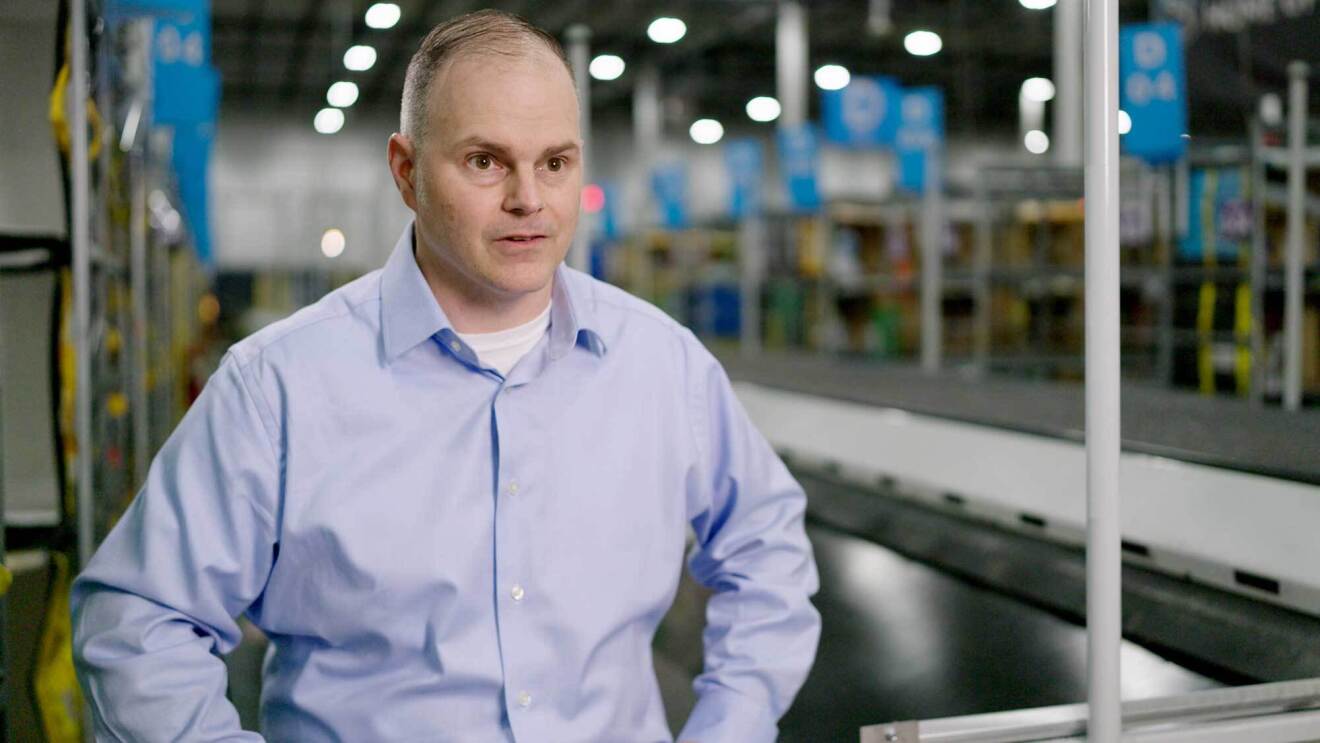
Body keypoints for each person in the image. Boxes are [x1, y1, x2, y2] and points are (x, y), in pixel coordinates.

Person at [71, 10, 820, 742]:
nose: (529, 199)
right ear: (405, 170)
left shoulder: (662, 364)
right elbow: (137, 621)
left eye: (555, 162)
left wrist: (733, 721)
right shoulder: (279, 388)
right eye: (485, 162)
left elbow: (767, 545)